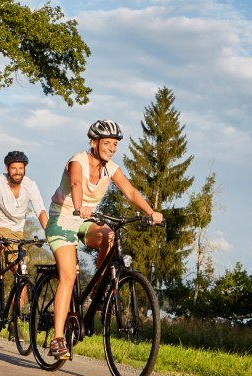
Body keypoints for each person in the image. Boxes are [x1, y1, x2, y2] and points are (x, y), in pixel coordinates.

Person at [43, 120, 164, 360]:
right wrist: (79, 207)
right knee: (68, 275)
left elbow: (130, 192)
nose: (112, 148)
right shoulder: (78, 160)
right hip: (63, 219)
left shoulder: (111, 168)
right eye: (107, 143)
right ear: (94, 143)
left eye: (115, 144)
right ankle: (57, 339)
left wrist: (151, 212)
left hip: (87, 220)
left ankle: (98, 294)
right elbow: (76, 183)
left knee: (109, 236)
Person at [0, 151, 49, 306]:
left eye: (21, 168)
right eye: (14, 168)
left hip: (16, 231)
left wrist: (50, 232)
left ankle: (15, 316)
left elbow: (41, 211)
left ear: (25, 169)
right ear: (7, 168)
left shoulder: (30, 185)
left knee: (21, 271)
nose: (18, 172)